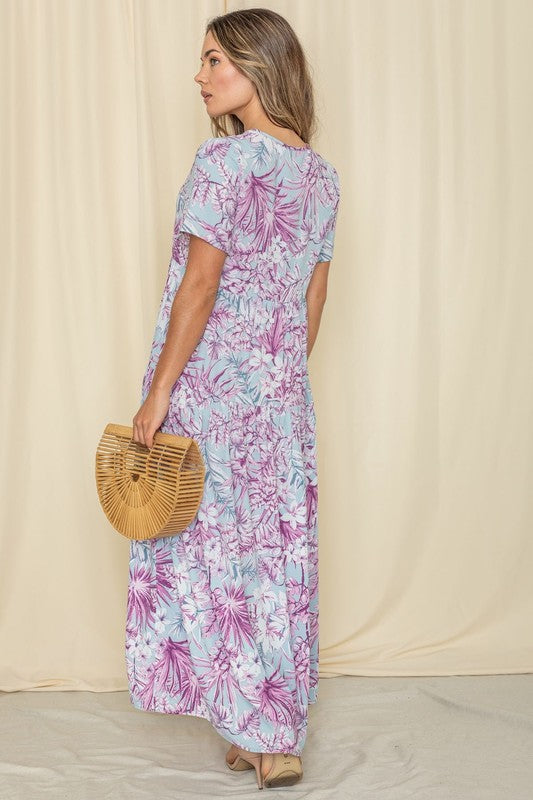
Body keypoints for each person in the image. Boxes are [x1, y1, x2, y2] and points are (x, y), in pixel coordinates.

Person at [126, 7, 340, 790]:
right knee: (274, 556)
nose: (200, 76)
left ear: (257, 66)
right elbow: (312, 302)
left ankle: (259, 728)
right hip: (279, 397)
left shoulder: (224, 164)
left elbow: (201, 285)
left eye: (214, 59)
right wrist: (276, 382)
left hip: (210, 392)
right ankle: (265, 731)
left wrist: (158, 396)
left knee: (216, 560)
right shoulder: (320, 174)